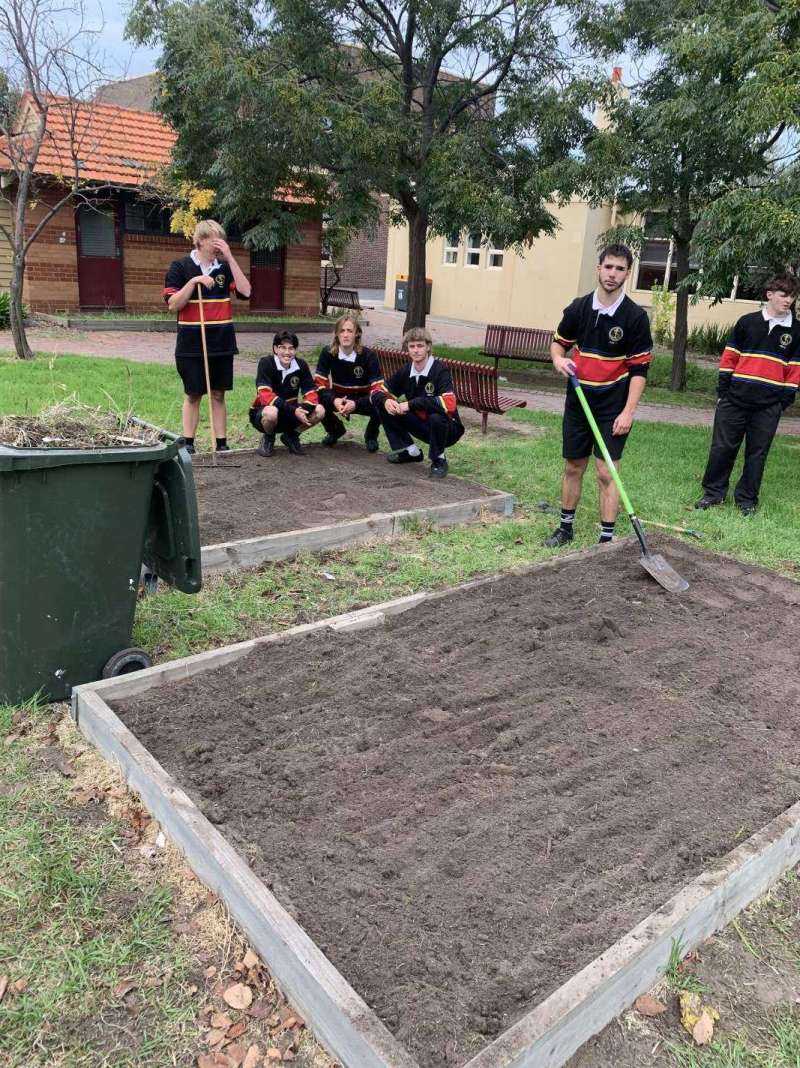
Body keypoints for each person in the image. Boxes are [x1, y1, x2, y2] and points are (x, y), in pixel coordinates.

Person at [545, 244, 653, 547]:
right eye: (608, 267)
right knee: (573, 466)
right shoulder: (578, 308)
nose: (612, 274)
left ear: (627, 274)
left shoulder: (635, 317)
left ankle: (606, 539)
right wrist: (558, 359)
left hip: (613, 406)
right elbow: (559, 343)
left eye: (620, 269)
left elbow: (639, 370)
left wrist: (628, 412)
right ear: (599, 268)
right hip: (579, 400)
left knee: (607, 472)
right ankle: (565, 528)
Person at [695, 274, 800, 515]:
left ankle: (746, 500)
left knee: (757, 453)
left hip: (768, 406)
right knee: (722, 448)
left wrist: (782, 402)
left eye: (793, 296)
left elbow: (795, 370)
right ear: (769, 294)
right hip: (734, 400)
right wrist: (724, 392)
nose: (788, 300)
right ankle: (713, 493)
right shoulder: (747, 322)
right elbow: (729, 359)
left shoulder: (796, 331)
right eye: (784, 295)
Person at [163, 220, 251, 454]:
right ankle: (188, 444)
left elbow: (246, 291)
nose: (218, 244)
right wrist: (194, 281)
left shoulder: (224, 268)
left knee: (218, 394)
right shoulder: (180, 267)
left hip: (221, 343)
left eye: (221, 239)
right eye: (214, 239)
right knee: (193, 394)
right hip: (191, 344)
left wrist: (230, 257)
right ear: (200, 241)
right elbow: (173, 304)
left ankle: (221, 444)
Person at [372, 327, 464, 478]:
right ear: (407, 349)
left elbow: (449, 403)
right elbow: (377, 391)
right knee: (385, 406)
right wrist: (386, 400)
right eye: (412, 346)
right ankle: (410, 452)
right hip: (421, 424)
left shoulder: (440, 370)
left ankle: (439, 460)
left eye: (420, 346)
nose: (416, 350)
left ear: (428, 347)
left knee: (436, 416)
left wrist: (410, 404)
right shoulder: (406, 370)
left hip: (448, 429)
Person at [313, 315, 384, 450]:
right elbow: (319, 384)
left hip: (362, 399)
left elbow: (377, 387)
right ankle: (335, 430)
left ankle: (371, 436)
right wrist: (334, 400)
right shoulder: (328, 353)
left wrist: (356, 403)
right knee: (316, 398)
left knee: (382, 401)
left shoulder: (369, 355)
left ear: (357, 334)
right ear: (336, 334)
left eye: (350, 331)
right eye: (342, 331)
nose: (345, 335)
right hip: (339, 398)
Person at [249, 331, 325, 456]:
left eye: (291, 348)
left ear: (295, 350)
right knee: (271, 412)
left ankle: (291, 436)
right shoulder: (266, 363)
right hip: (264, 413)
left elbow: (311, 393)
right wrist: (294, 411)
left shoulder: (301, 365)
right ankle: (268, 437)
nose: (287, 352)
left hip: (290, 413)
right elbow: (265, 395)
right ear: (275, 349)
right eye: (282, 347)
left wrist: (303, 410)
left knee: (320, 410)